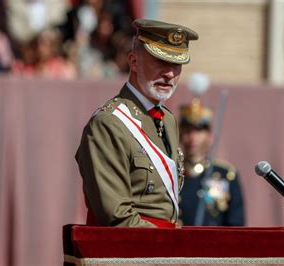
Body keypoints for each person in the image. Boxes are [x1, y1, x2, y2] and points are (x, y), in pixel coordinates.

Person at [75, 19, 199, 228]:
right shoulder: (109, 124)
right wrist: (171, 247)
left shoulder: (167, 120)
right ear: (133, 62)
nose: (169, 74)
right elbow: (117, 217)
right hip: (129, 252)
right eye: (160, 62)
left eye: (176, 64)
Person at [178, 99, 245, 226]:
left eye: (198, 131)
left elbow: (236, 224)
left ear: (209, 135)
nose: (193, 138)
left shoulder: (226, 175)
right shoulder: (171, 171)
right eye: (188, 131)